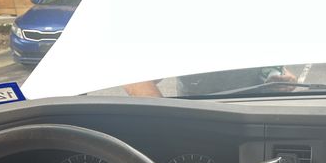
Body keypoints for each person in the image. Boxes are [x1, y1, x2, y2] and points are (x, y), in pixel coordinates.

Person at [123, 66, 297, 97]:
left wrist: (284, 77)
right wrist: (167, 124)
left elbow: (273, 67)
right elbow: (135, 78)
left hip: (255, 120)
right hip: (204, 123)